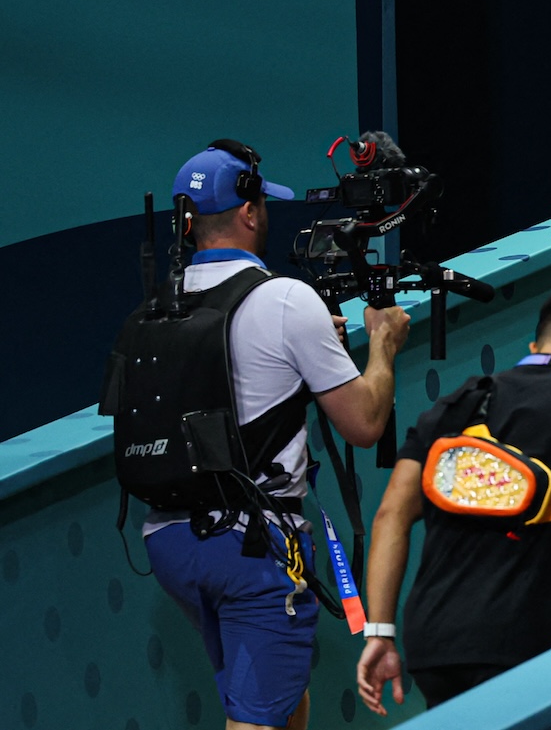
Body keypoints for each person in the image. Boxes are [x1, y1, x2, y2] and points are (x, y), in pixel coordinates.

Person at [142, 141, 411, 730]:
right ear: (247, 213)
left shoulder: (164, 302)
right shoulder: (289, 301)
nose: (266, 213)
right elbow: (364, 424)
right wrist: (384, 347)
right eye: (262, 203)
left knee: (273, 696)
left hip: (169, 542)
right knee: (255, 721)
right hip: (252, 546)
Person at [356, 285, 551, 714]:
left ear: (535, 345)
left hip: (434, 644)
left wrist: (380, 632)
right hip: (527, 643)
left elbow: (390, 514)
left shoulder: (456, 404)